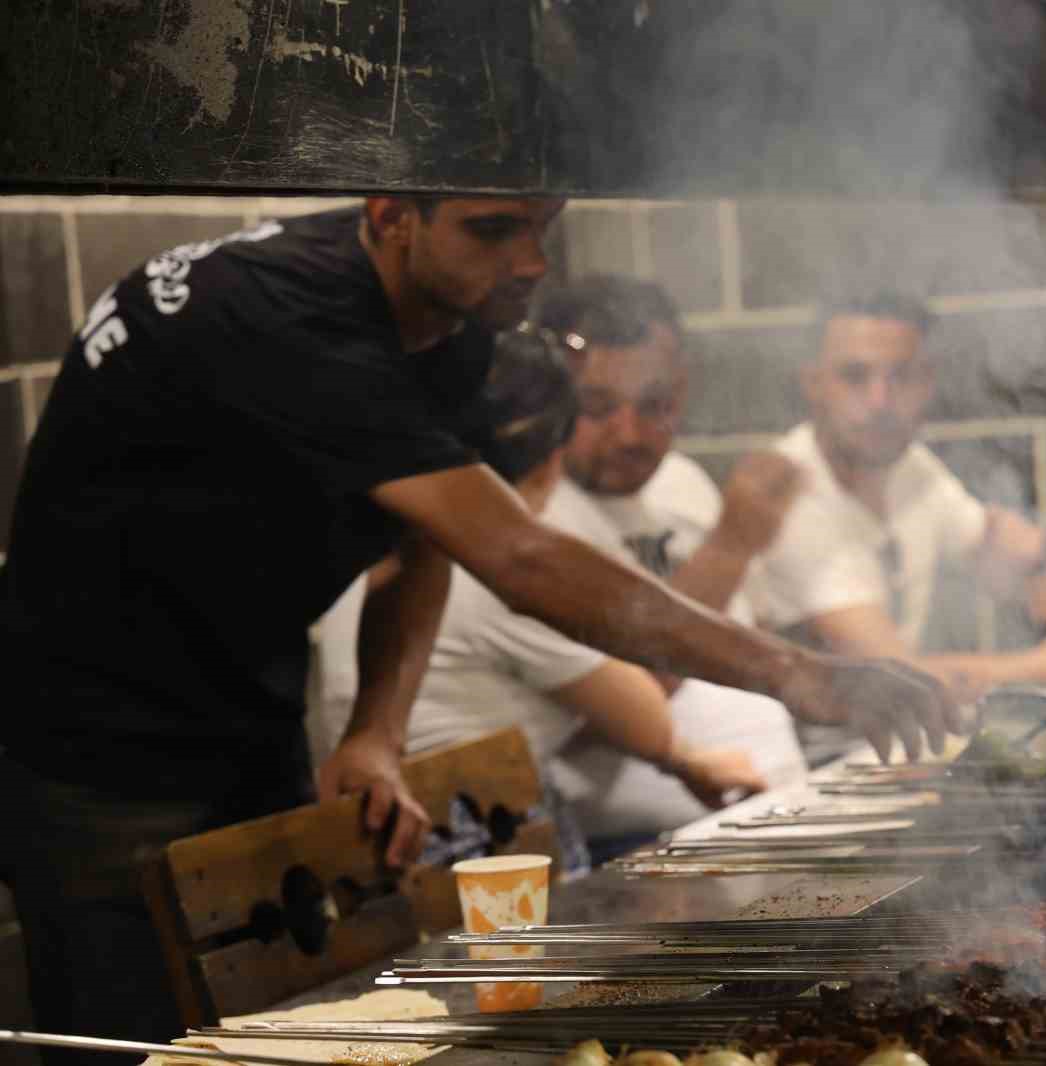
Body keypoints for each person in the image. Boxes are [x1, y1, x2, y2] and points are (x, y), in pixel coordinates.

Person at [0, 199, 957, 1062]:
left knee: (274, 1040)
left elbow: (429, 536)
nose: (533, 259)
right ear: (392, 217)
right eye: (495, 230)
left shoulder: (445, 323)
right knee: (128, 1048)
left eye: (543, 223)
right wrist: (801, 674)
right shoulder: (289, 322)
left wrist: (378, 729)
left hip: (243, 703)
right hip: (92, 740)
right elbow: (521, 559)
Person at [311, 326, 770, 862]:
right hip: (459, 848)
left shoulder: (392, 534)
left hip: (426, 830)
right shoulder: (499, 568)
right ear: (554, 456)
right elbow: (646, 717)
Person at [757, 288, 1046, 704]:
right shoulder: (787, 491)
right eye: (855, 376)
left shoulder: (910, 469)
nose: (880, 400)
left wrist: (1037, 560)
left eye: (902, 376)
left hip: (901, 732)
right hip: (825, 753)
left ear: (927, 383)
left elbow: (1041, 590)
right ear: (814, 384)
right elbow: (896, 678)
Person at [525, 277, 809, 853]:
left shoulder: (680, 483)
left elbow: (748, 643)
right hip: (628, 843)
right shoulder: (532, 512)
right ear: (552, 399)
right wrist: (729, 548)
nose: (631, 434)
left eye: (655, 405)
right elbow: (625, 693)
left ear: (682, 390)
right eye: (597, 407)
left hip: (754, 819)